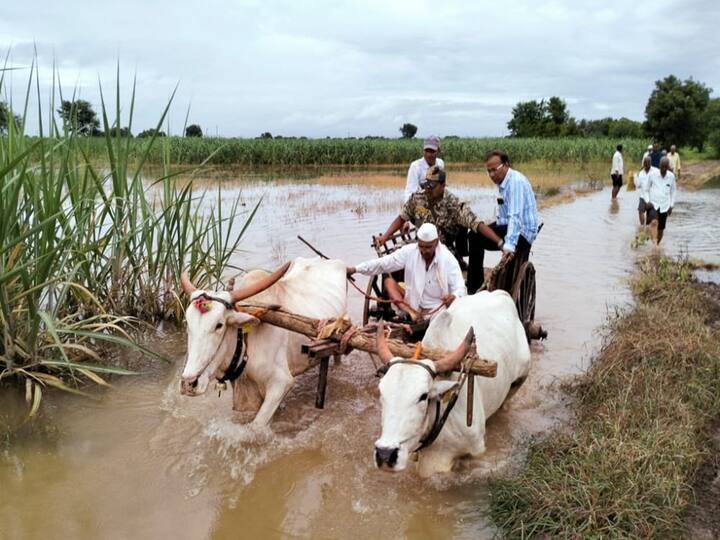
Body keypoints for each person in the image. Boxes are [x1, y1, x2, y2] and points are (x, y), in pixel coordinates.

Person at [375, 167, 503, 294]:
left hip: (442, 247)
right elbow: (402, 218)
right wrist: (385, 237)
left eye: (432, 186)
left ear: (443, 185)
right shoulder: (417, 198)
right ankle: (389, 301)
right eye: (426, 185)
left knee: (437, 262)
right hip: (418, 244)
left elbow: (477, 224)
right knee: (393, 255)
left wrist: (499, 242)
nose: (428, 189)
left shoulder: (453, 204)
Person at [347, 223, 465, 321]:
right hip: (412, 304)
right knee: (388, 282)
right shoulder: (410, 251)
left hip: (436, 310)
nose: (424, 251)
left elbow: (460, 287)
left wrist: (454, 296)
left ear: (436, 242)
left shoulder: (447, 259)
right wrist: (355, 269)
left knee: (440, 323)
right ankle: (411, 313)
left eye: (428, 247)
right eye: (421, 246)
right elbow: (383, 263)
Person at [467, 150, 539, 293]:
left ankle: (473, 287)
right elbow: (504, 217)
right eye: (489, 171)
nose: (492, 175)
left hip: (522, 232)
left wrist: (509, 245)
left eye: (495, 170)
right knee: (474, 233)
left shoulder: (515, 182)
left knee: (475, 238)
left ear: (506, 165)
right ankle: (474, 285)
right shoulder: (504, 182)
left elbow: (515, 216)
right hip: (507, 227)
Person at [643, 157, 676, 244]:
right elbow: (646, 190)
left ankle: (656, 244)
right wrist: (647, 201)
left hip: (665, 206)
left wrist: (671, 206)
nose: (664, 169)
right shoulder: (652, 175)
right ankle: (654, 244)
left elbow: (673, 192)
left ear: (668, 167)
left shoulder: (671, 176)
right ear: (659, 166)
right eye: (662, 167)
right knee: (653, 222)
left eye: (666, 167)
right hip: (653, 204)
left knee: (661, 230)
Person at [404, 135, 445, 202]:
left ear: (438, 151)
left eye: (432, 151)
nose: (428, 155)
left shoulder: (440, 164)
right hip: (419, 203)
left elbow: (441, 188)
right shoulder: (415, 167)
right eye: (426, 151)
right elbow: (410, 192)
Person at [634, 156, 659, 226]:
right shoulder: (641, 173)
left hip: (652, 197)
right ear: (643, 163)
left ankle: (648, 227)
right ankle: (642, 227)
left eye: (648, 162)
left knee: (650, 215)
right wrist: (636, 176)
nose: (646, 164)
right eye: (645, 162)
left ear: (651, 163)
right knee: (640, 211)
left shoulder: (656, 171)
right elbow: (638, 185)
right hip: (643, 196)